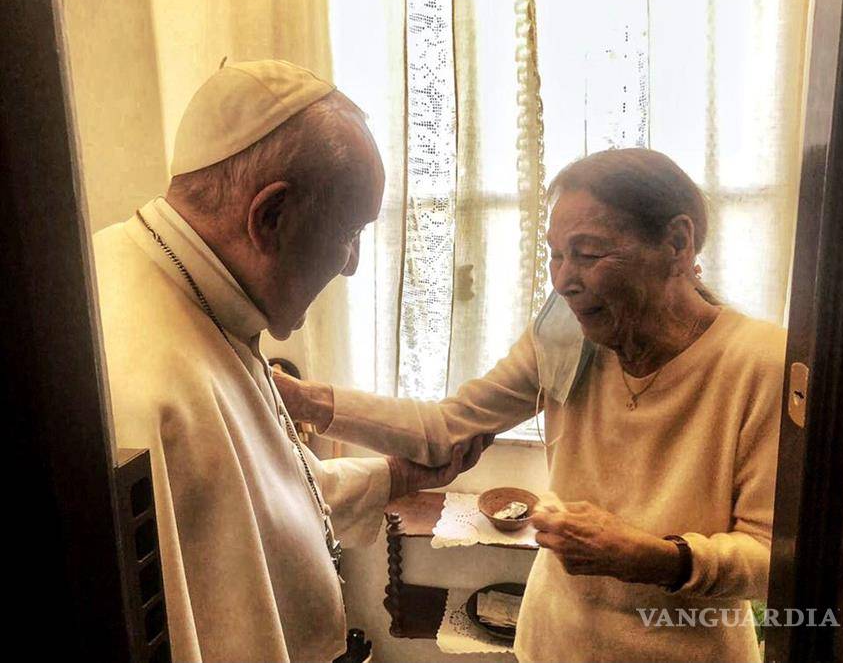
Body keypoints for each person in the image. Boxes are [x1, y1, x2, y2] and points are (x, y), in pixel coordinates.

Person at [275, 148, 786, 662]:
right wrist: (308, 400)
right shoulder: (564, 338)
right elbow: (445, 427)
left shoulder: (761, 363)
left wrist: (659, 560)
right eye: (555, 254)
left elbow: (773, 558)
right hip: (553, 644)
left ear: (677, 243)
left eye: (587, 254)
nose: (564, 280)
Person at [93, 60, 490, 663]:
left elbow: (269, 507)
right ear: (269, 217)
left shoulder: (211, 298)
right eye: (349, 232)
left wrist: (403, 477)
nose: (352, 264)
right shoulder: (140, 380)